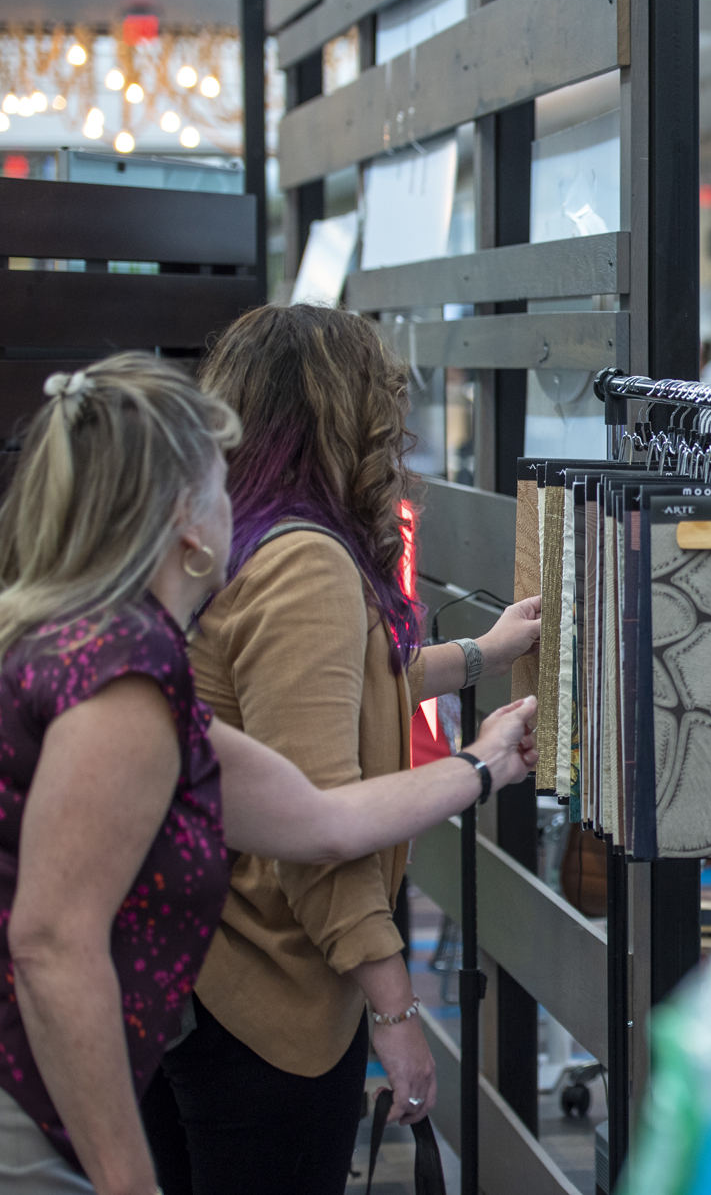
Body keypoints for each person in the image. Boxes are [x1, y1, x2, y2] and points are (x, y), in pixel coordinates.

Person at [0, 354, 536, 1195]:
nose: (238, 500)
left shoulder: (109, 648)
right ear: (187, 526)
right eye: (221, 483)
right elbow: (51, 944)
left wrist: (484, 763)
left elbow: (318, 818)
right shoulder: (122, 680)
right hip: (30, 1112)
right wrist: (124, 1179)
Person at [139, 305, 543, 1194]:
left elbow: (332, 686)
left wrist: (484, 652)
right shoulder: (305, 564)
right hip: (264, 998)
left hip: (192, 979)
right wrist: (396, 1013)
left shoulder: (226, 541)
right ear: (345, 415)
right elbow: (322, 827)